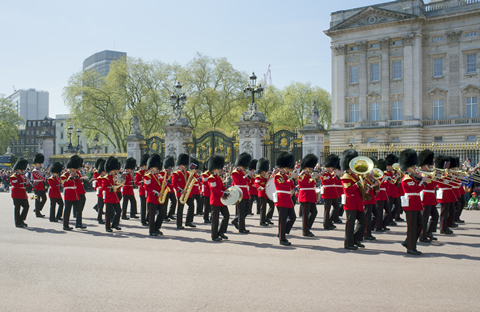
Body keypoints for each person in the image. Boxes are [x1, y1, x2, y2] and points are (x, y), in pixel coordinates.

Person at [399, 149, 425, 255]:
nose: (415, 168)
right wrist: (422, 182)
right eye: (414, 167)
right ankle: (411, 248)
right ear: (408, 167)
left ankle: (408, 242)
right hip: (410, 204)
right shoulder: (407, 178)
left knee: (420, 224)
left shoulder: (412, 178)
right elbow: (416, 190)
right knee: (412, 227)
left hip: (415, 203)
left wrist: (419, 180)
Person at [340, 149, 366, 250]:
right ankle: (348, 243)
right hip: (350, 203)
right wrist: (357, 185)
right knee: (350, 224)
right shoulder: (345, 177)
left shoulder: (355, 176)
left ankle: (356, 239)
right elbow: (348, 191)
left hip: (358, 202)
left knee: (363, 221)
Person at [274, 152, 297, 246]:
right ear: (282, 167)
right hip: (282, 198)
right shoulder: (278, 176)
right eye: (286, 167)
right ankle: (282, 238)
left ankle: (282, 232)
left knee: (293, 217)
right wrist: (291, 179)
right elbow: (283, 185)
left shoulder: (286, 176)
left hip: (288, 198)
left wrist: (294, 180)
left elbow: (291, 186)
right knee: (282, 220)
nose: (288, 169)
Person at [417, 149, 439, 242]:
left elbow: (433, 186)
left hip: (431, 197)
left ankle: (429, 232)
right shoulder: (421, 174)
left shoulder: (429, 174)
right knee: (424, 218)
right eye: (428, 165)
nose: (430, 166)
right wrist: (434, 179)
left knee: (435, 216)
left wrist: (436, 179)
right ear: (423, 166)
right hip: (425, 197)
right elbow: (429, 185)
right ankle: (422, 236)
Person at [208, 154, 230, 241]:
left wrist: (228, 191)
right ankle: (214, 236)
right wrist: (223, 194)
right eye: (218, 169)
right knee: (215, 219)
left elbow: (221, 187)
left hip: (221, 200)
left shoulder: (218, 177)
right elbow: (214, 190)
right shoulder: (211, 178)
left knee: (226, 216)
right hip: (215, 201)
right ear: (214, 169)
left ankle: (221, 232)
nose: (220, 170)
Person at [144, 153, 166, 236]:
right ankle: (152, 230)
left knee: (162, 213)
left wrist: (165, 183)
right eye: (156, 167)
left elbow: (161, 185)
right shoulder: (147, 176)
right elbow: (147, 188)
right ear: (151, 167)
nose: (157, 168)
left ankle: (157, 228)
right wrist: (156, 193)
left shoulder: (158, 176)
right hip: (152, 198)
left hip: (159, 198)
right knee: (152, 215)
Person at [172, 153, 196, 229]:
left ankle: (188, 221)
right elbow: (174, 184)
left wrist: (193, 176)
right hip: (181, 193)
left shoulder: (187, 173)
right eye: (183, 165)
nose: (185, 166)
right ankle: (179, 224)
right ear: (179, 165)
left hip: (188, 193)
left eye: (185, 165)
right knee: (180, 209)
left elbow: (192, 179)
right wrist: (180, 190)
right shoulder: (176, 173)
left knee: (191, 206)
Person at [61, 155, 84, 231]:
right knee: (67, 210)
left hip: (75, 194)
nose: (74, 170)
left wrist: (77, 177)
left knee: (79, 208)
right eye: (72, 168)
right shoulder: (64, 175)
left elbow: (79, 183)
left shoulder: (75, 174)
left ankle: (78, 223)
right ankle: (65, 225)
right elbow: (65, 185)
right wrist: (70, 178)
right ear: (69, 168)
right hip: (68, 194)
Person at [231, 152, 252, 234]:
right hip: (239, 193)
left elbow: (247, 181)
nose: (244, 167)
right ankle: (241, 228)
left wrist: (249, 176)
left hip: (245, 193)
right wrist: (247, 176)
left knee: (247, 210)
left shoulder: (243, 172)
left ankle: (235, 220)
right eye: (243, 166)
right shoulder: (235, 172)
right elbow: (239, 182)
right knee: (241, 211)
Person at [298, 154, 319, 237]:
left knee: (314, 212)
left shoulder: (309, 174)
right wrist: (314, 178)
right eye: (310, 167)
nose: (311, 169)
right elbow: (305, 184)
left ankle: (307, 227)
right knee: (305, 215)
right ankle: (305, 231)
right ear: (305, 167)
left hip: (310, 195)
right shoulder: (302, 174)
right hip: (305, 196)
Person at [435, 155, 456, 235]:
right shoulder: (440, 175)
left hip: (448, 194)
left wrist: (451, 177)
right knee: (444, 213)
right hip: (444, 195)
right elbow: (445, 184)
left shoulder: (445, 175)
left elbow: (451, 184)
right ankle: (443, 228)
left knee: (449, 211)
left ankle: (446, 226)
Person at [320, 154, 340, 230]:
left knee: (336, 207)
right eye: (331, 167)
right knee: (327, 209)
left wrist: (335, 176)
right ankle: (326, 224)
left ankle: (330, 221)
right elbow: (328, 181)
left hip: (333, 192)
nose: (332, 168)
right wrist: (335, 176)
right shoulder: (324, 173)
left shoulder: (330, 173)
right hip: (328, 193)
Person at [10, 158, 30, 228]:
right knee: (17, 209)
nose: (22, 171)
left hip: (23, 195)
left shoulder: (22, 176)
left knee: (26, 206)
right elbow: (16, 185)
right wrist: (25, 183)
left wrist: (28, 182)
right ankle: (17, 222)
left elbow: (26, 185)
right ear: (17, 169)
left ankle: (21, 219)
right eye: (21, 169)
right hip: (16, 195)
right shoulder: (13, 176)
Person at [374, 159, 391, 232]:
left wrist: (388, 181)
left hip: (384, 195)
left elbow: (385, 186)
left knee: (388, 211)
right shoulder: (377, 174)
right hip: (379, 195)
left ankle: (383, 224)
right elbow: (380, 185)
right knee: (380, 212)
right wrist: (386, 181)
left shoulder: (384, 175)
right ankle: (378, 227)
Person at [385, 154, 400, 226]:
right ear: (388, 166)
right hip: (389, 192)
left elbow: (394, 182)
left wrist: (398, 180)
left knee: (398, 206)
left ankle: (391, 217)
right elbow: (390, 182)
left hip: (394, 191)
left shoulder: (392, 172)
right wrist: (396, 177)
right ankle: (389, 220)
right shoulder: (385, 173)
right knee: (389, 207)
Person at [135, 154, 150, 226]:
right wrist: (141, 183)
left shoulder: (149, 172)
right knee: (143, 206)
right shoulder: (139, 172)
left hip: (149, 191)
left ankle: (148, 218)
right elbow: (136, 182)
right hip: (142, 191)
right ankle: (143, 220)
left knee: (149, 206)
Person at [254, 158, 270, 226]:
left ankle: (267, 218)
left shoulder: (264, 177)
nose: (265, 172)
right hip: (261, 193)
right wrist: (260, 187)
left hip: (266, 194)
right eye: (264, 171)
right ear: (261, 171)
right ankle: (262, 221)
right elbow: (256, 184)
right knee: (263, 208)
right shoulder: (259, 177)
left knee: (271, 205)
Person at [31, 153, 47, 218]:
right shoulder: (34, 171)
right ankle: (37, 212)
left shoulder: (39, 170)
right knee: (37, 199)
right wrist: (44, 178)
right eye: (39, 163)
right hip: (36, 185)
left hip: (41, 185)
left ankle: (37, 209)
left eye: (40, 163)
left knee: (44, 198)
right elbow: (38, 177)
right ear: (36, 163)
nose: (40, 164)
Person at [163, 156, 177, 221]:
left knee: (174, 201)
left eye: (171, 168)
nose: (170, 169)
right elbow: (162, 181)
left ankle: (170, 214)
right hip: (165, 190)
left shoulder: (172, 173)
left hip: (171, 190)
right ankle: (164, 216)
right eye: (169, 168)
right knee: (165, 203)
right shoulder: (163, 173)